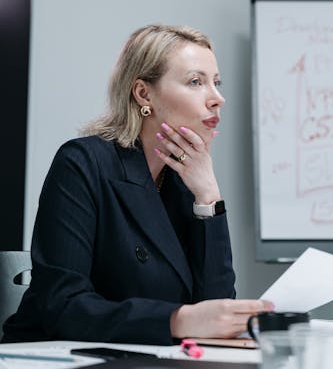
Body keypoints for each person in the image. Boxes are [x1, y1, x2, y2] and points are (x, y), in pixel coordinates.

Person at [2, 24, 273, 344]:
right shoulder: (83, 163)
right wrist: (177, 320)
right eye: (196, 82)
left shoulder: (186, 178)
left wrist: (208, 195)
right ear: (144, 94)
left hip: (148, 363)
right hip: (49, 363)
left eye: (216, 83)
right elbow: (63, 306)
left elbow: (214, 306)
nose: (218, 99)